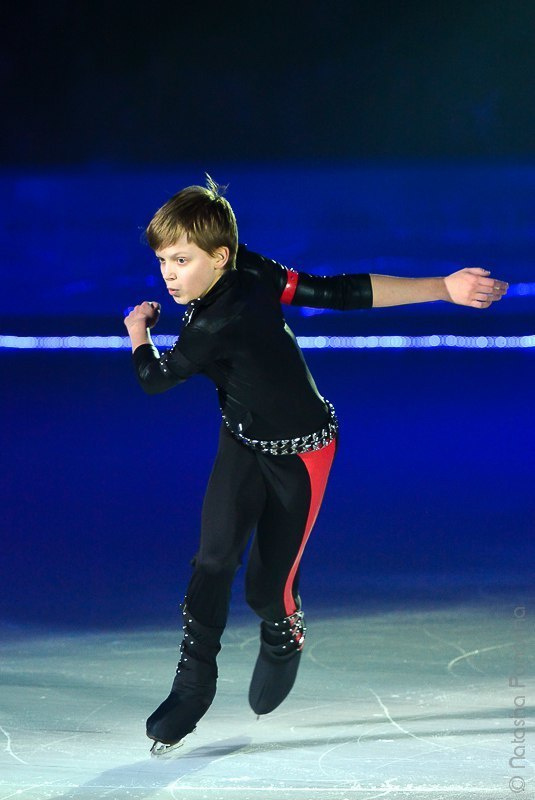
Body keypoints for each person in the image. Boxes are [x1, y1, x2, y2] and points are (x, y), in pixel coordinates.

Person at [124, 175, 508, 754]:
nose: (169, 274)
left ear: (221, 257)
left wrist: (137, 332)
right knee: (212, 559)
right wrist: (443, 286)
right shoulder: (248, 272)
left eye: (181, 259)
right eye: (162, 261)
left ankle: (283, 634)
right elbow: (336, 292)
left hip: (304, 457)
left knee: (264, 590)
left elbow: (156, 378)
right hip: (243, 443)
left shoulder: (217, 316)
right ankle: (193, 684)